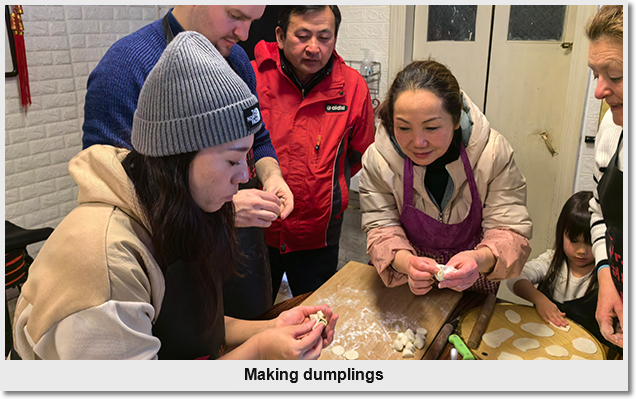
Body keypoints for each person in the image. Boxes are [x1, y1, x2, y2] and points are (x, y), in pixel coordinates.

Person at [11, 32, 337, 360]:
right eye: (232, 160)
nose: (244, 176)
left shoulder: (173, 209)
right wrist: (261, 353)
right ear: (177, 158)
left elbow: (189, 324)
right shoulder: (107, 265)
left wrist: (273, 328)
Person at [82, 5, 295, 319]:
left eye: (252, 21)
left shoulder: (236, 60)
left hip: (236, 246)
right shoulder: (124, 69)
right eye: (235, 16)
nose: (244, 34)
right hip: (170, 258)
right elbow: (112, 187)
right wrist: (226, 210)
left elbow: (258, 138)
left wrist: (273, 175)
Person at [359, 60, 532, 296]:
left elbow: (510, 231)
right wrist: (407, 263)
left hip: (474, 283)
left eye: (431, 128)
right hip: (406, 284)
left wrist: (478, 259)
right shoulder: (379, 160)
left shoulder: (491, 154)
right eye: (404, 128)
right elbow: (381, 229)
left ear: (456, 120)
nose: (418, 142)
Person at [251, 5, 375, 298]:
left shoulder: (353, 87)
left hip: (318, 233)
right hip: (256, 229)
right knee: (252, 318)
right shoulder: (254, 76)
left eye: (324, 37)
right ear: (280, 36)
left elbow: (359, 152)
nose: (313, 48)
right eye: (303, 35)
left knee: (314, 316)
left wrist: (328, 188)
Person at [506, 191, 610, 346]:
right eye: (574, 240)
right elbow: (514, 277)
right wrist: (539, 299)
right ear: (561, 234)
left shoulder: (605, 276)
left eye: (590, 243)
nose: (581, 251)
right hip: (541, 342)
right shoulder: (552, 261)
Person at [586, 4, 623, 349]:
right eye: (595, 74)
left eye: (615, 75)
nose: (599, 91)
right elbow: (599, 211)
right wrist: (606, 277)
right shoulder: (612, 129)